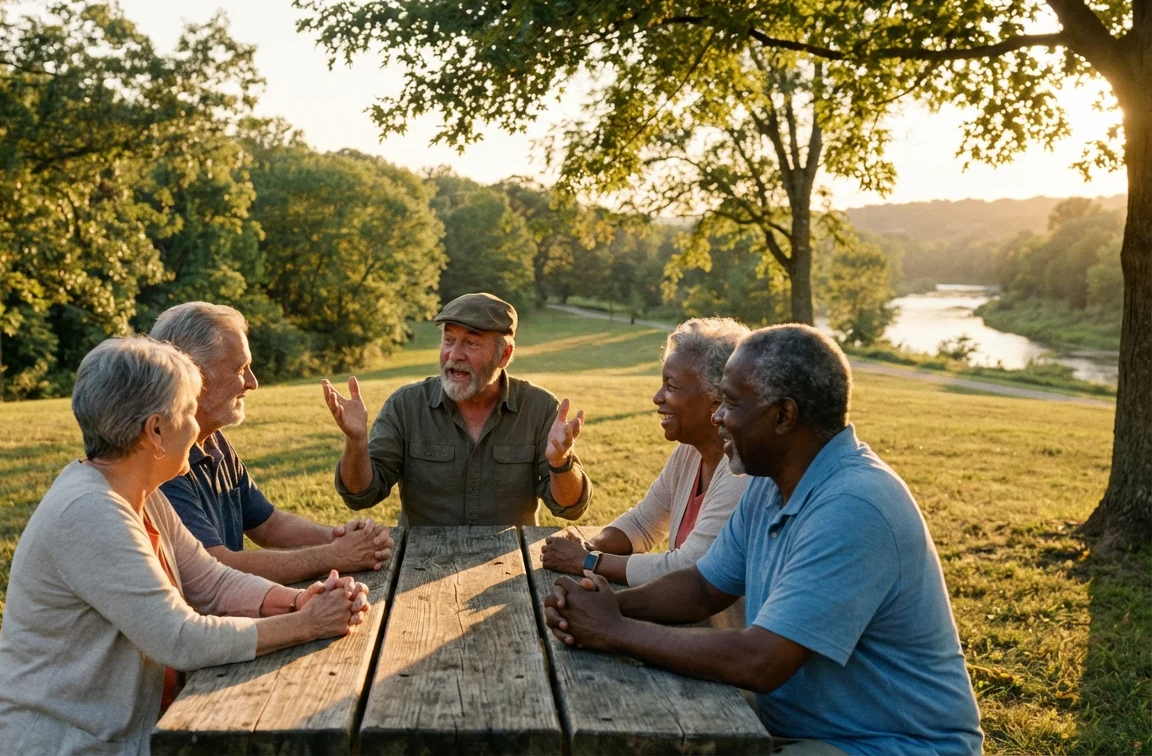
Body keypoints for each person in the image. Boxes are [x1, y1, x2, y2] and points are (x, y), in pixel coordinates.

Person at [543, 325, 983, 755]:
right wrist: (603, 606)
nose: (717, 416)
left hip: (885, 743)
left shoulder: (854, 505)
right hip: (795, 722)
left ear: (783, 416)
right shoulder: (767, 482)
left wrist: (615, 630)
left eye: (730, 403)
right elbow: (702, 588)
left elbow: (762, 660)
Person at [0, 337, 370, 755]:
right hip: (59, 744)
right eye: (188, 411)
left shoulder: (140, 491)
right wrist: (306, 625)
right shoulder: (88, 512)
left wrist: (299, 601)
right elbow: (179, 639)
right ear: (156, 430)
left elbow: (211, 583)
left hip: (120, 735)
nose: (197, 427)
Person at [150, 302, 393, 584]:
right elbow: (213, 566)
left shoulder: (213, 440)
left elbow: (269, 525)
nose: (252, 383)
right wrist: (334, 555)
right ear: (193, 374)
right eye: (240, 369)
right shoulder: (161, 457)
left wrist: (341, 538)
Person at [540, 317, 751, 628]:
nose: (657, 397)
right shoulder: (689, 453)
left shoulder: (743, 471)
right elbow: (642, 522)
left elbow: (688, 568)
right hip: (683, 630)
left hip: (721, 643)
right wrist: (589, 546)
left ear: (716, 398)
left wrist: (587, 562)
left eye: (671, 386)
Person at [323, 292, 591, 526]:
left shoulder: (540, 408)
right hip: (420, 563)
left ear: (504, 355)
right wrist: (356, 441)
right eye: (449, 340)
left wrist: (561, 463)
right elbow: (361, 495)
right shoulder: (406, 405)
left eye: (471, 343)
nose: (454, 355)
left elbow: (569, 508)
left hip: (509, 561)